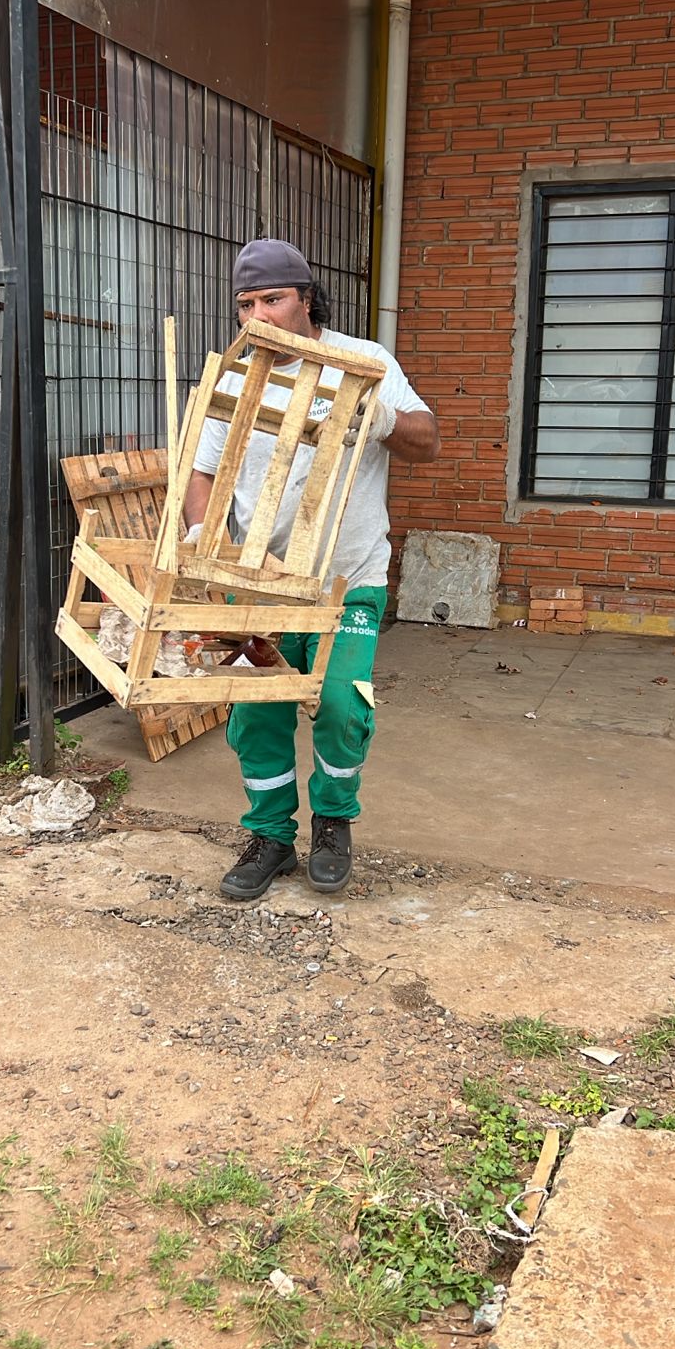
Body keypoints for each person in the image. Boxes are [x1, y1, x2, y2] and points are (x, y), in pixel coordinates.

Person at [184, 238, 440, 902]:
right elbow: (202, 474)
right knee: (256, 714)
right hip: (260, 582)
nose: (258, 316)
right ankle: (271, 837)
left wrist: (380, 418)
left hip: (349, 578)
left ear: (305, 297)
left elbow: (427, 441)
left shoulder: (365, 361)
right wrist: (203, 536)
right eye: (246, 304)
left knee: (341, 705)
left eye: (272, 299)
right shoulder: (235, 378)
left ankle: (332, 824)